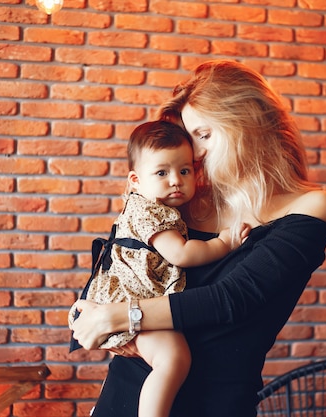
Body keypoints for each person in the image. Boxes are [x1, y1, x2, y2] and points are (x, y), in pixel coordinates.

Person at [71, 59, 326, 417]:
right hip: (124, 398)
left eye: (204, 134)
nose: (195, 153)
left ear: (245, 121)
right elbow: (127, 264)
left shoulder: (312, 206)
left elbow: (231, 300)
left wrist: (119, 318)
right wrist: (98, 314)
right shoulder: (186, 199)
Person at [68, 120, 249, 417]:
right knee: (173, 358)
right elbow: (181, 254)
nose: (176, 180)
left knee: (168, 357)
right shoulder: (150, 211)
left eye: (185, 171)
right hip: (126, 299)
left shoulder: (150, 207)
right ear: (136, 181)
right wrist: (226, 242)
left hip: (128, 298)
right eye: (162, 173)